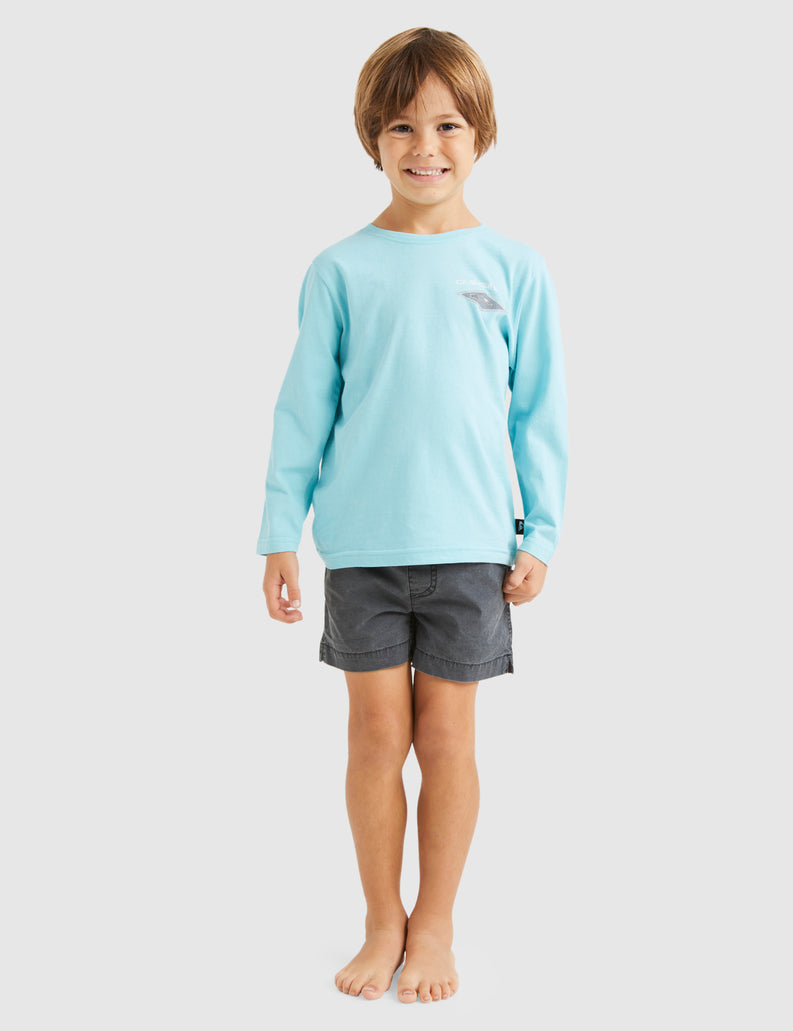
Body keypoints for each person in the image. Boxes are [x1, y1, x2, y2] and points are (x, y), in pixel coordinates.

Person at [257, 27, 568, 1004]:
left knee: (447, 740)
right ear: (372, 139)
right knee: (373, 737)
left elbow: (538, 411)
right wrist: (278, 529)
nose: (424, 146)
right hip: (363, 547)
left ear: (480, 134)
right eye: (401, 126)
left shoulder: (513, 268)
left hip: (473, 548)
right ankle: (380, 917)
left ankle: (433, 921)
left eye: (446, 125)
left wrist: (540, 530)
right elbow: (304, 408)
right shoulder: (341, 269)